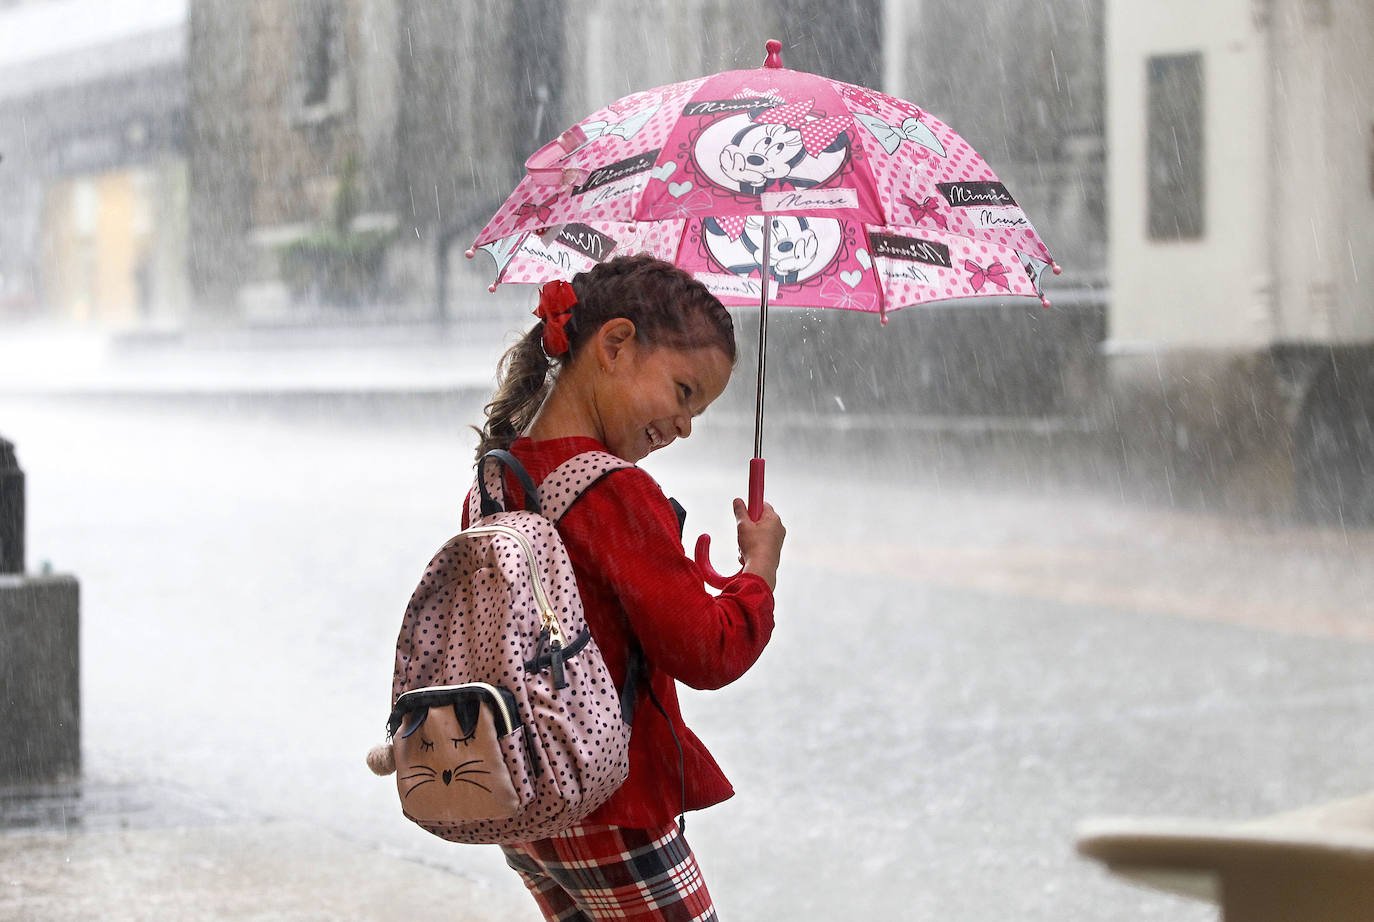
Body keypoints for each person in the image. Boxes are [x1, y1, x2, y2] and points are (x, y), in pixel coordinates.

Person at [470, 253, 785, 921]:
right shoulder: (614, 490)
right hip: (607, 800)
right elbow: (705, 651)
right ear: (615, 345)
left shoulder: (496, 477)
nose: (685, 425)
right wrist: (758, 575)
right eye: (683, 391)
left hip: (522, 802)